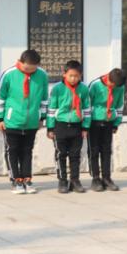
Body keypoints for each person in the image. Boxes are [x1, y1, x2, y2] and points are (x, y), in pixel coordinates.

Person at [0, 49, 49, 194]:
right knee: (12, 151)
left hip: (32, 121)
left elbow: (44, 98)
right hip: (11, 121)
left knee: (27, 151)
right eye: (26, 68)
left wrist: (42, 117)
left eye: (32, 69)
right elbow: (0, 97)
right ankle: (16, 179)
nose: (29, 72)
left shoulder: (42, 75)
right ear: (20, 62)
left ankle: (27, 179)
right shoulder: (9, 74)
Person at [47, 60, 90, 193]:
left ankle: (75, 181)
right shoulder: (57, 89)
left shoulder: (84, 89)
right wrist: (50, 128)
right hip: (60, 125)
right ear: (64, 74)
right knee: (61, 154)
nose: (73, 79)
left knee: (75, 155)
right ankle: (62, 180)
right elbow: (51, 110)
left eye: (76, 76)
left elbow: (87, 109)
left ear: (80, 76)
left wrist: (85, 127)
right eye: (71, 75)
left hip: (77, 126)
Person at [86, 67, 126, 192]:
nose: (113, 88)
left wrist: (116, 123)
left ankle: (107, 178)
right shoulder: (95, 85)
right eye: (112, 84)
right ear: (108, 78)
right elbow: (87, 105)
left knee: (106, 151)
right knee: (94, 151)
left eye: (116, 86)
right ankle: (95, 178)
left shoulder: (120, 87)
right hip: (94, 122)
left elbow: (119, 105)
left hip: (109, 121)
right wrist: (86, 124)